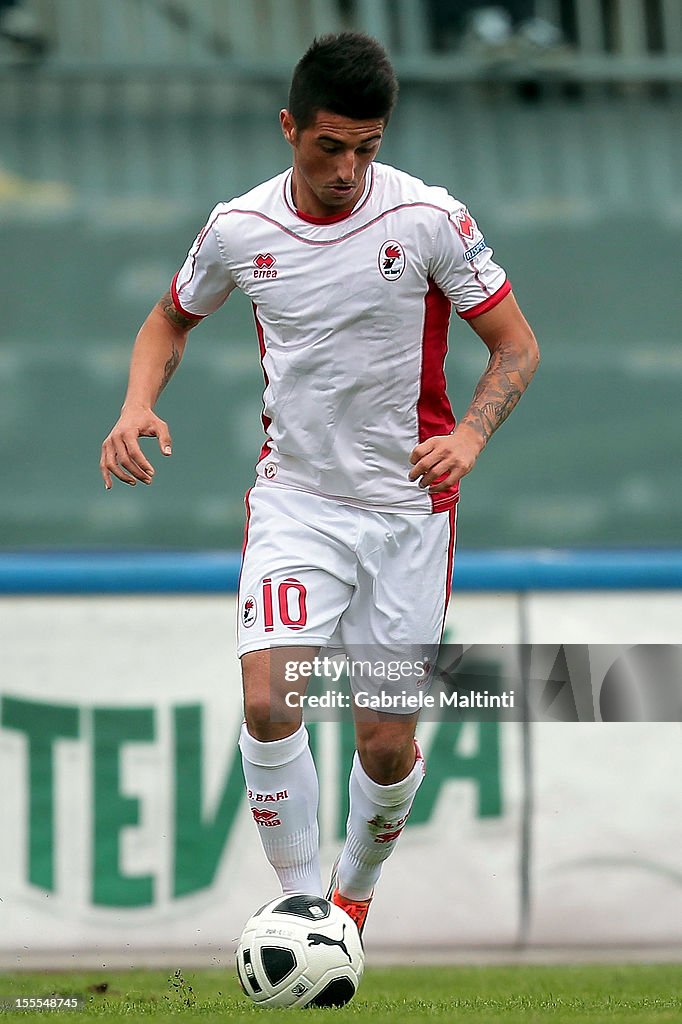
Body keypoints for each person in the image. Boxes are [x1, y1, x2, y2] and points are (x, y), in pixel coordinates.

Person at [100, 32, 539, 935]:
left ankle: (352, 894)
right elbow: (167, 319)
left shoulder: (426, 220)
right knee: (269, 697)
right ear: (289, 127)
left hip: (407, 512)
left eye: (366, 149)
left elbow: (516, 345)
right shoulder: (241, 228)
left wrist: (469, 435)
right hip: (296, 500)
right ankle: (305, 907)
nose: (347, 169)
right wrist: (136, 403)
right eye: (329, 146)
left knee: (384, 745)